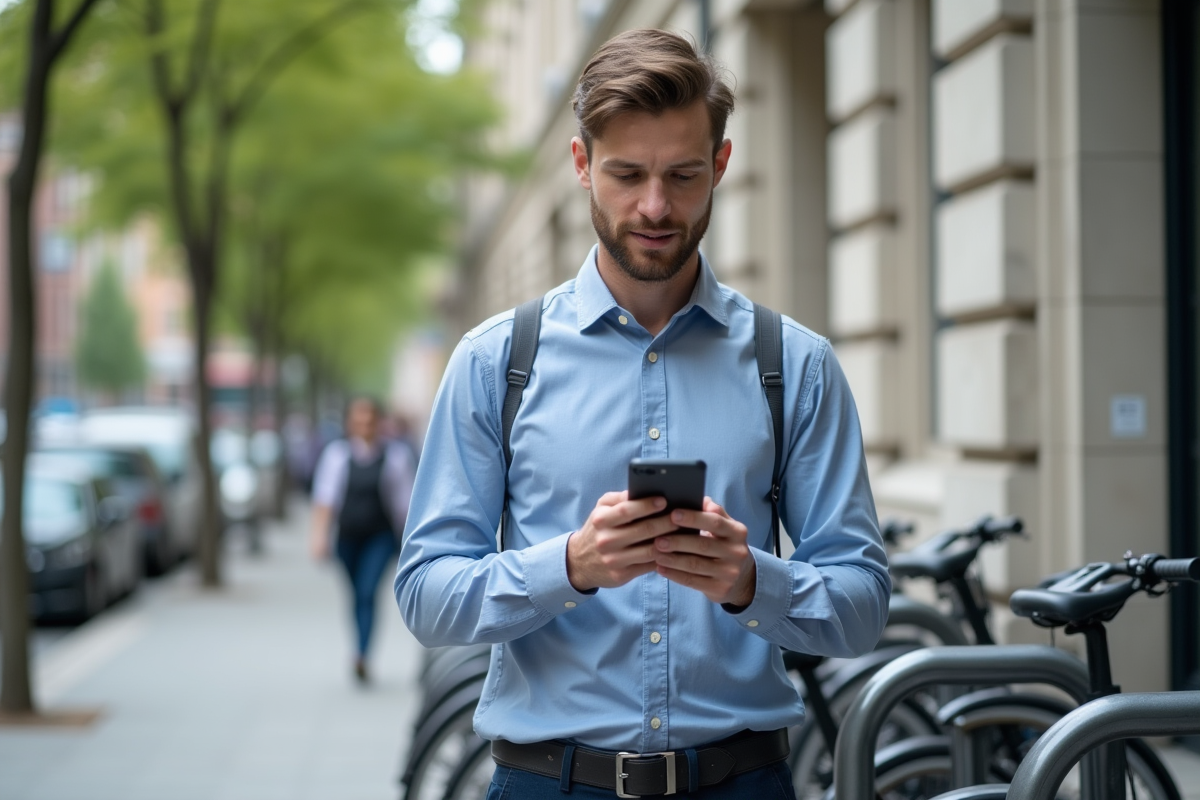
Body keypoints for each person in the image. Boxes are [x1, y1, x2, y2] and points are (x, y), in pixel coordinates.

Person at [395, 29, 890, 798]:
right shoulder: (496, 362)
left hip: (742, 782)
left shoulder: (795, 365)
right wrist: (569, 566)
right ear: (581, 164)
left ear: (720, 165)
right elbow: (427, 596)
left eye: (683, 175)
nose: (655, 206)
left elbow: (861, 608)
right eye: (626, 174)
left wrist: (750, 581)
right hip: (548, 784)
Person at [311, 396, 414, 683]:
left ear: (379, 423)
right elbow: (325, 501)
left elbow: (404, 505)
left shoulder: (396, 457)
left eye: (370, 421)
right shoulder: (337, 456)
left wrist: (411, 543)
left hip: (380, 538)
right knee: (356, 594)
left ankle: (362, 655)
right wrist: (319, 536)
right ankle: (359, 645)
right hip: (347, 539)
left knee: (368, 592)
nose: (364, 426)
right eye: (358, 421)